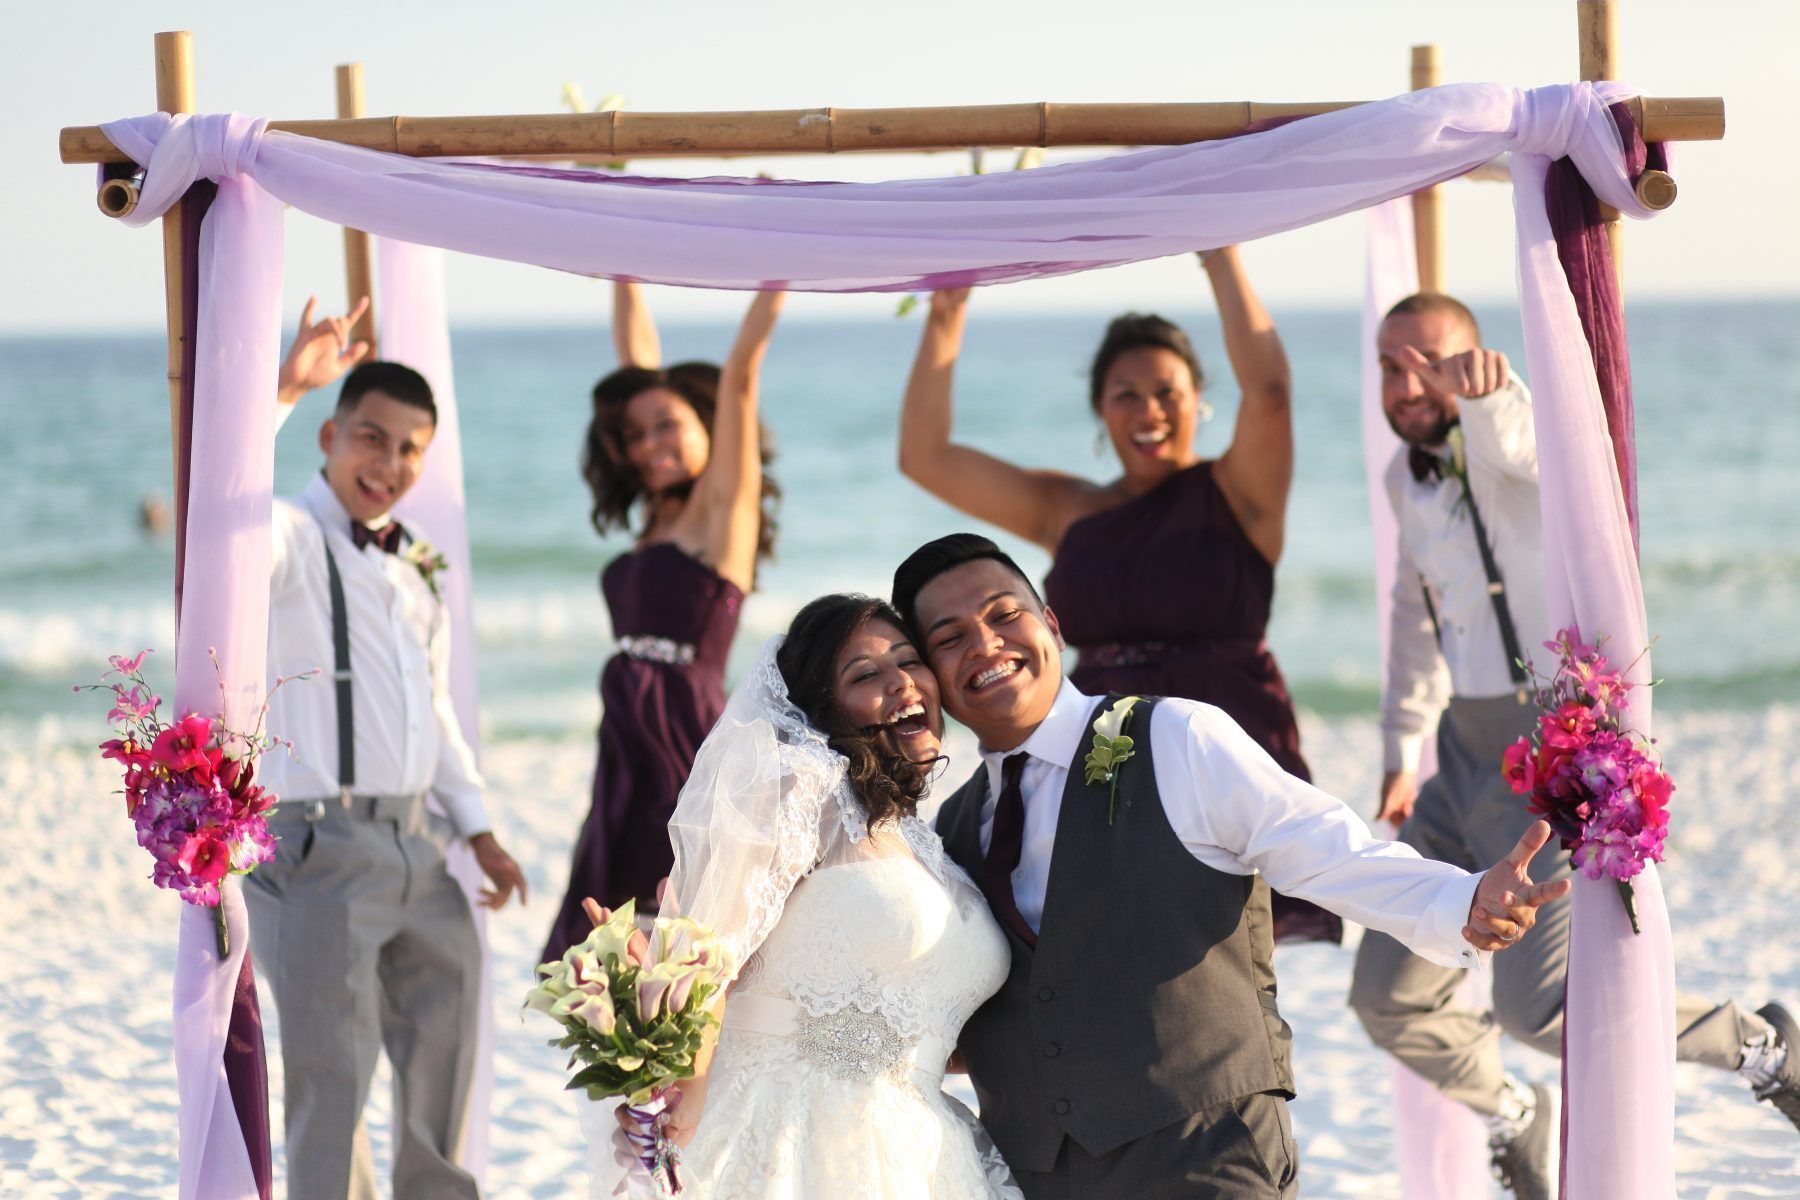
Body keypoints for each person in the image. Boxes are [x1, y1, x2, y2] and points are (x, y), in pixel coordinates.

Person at [892, 532, 1567, 1199]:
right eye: (949, 638)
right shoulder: (951, 831)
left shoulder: (1176, 737)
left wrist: (1463, 901)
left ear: (1052, 623)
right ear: (926, 676)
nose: (984, 644)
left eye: (1005, 613)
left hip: (1208, 1156)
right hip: (1035, 1175)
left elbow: (1325, 849)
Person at [1348, 291, 1800, 1198]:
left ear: (1470, 359)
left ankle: (1760, 1044)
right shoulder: (1406, 477)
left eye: (1431, 360)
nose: (1408, 382)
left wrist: (1495, 388)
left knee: (1544, 1008)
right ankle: (1515, 1111)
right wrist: (1401, 748)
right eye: (1392, 365)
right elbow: (1412, 616)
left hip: (1541, 748)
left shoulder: (1510, 444)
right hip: (1456, 750)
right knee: (1387, 996)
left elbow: (1539, 454)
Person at [898, 250, 1338, 943]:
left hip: (1228, 743)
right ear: (1100, 411)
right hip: (1102, 755)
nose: (1149, 410)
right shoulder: (1067, 507)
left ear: (1199, 398)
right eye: (1125, 394)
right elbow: (924, 457)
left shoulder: (1239, 493)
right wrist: (948, 315)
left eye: (1167, 391)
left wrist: (1220, 256)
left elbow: (1271, 391)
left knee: (1241, 958)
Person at [248, 296, 529, 1200]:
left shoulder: (416, 566)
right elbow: (224, 501)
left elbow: (434, 711)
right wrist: (282, 389)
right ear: (329, 436)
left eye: (410, 449)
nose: (391, 465)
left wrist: (478, 830)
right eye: (373, 439)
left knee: (445, 1053)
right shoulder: (288, 539)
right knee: (333, 1078)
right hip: (320, 844)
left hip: (419, 846)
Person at [635, 594, 1020, 1198]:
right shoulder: (800, 790)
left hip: (921, 1152)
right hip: (789, 1134)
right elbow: (704, 955)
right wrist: (686, 1093)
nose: (902, 684)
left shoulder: (926, 843)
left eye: (910, 661)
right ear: (822, 709)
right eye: (866, 675)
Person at [542, 282, 785, 962]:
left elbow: (739, 383)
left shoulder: (723, 518)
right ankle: (632, 1052)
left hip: (681, 728)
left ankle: (672, 1050)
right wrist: (624, 269)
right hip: (626, 733)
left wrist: (777, 280)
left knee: (673, 902)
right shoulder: (658, 522)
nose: (651, 445)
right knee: (613, 913)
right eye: (637, 434)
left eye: (669, 426)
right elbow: (638, 367)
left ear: (710, 426)